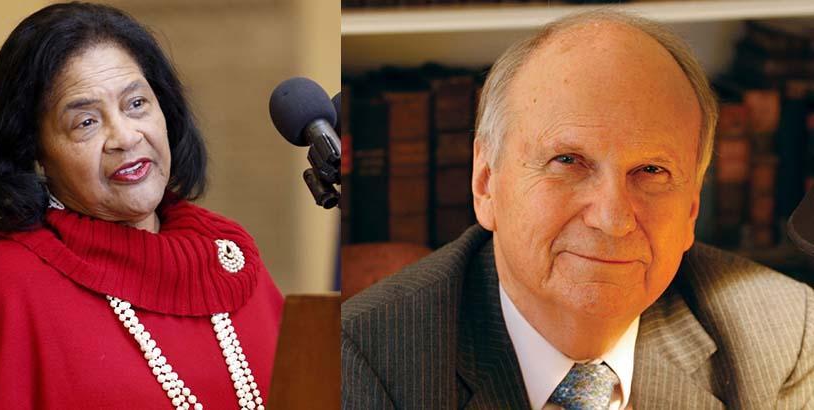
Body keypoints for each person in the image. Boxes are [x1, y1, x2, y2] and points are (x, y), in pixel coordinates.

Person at [342, 10, 814, 409]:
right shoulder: (363, 363)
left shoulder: (786, 339)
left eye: (652, 170)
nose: (612, 219)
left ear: (692, 207)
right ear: (485, 183)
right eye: (568, 161)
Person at [0, 3, 282, 409]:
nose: (124, 136)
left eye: (136, 104)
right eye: (86, 122)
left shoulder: (228, 258)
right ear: (35, 151)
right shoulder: (7, 285)